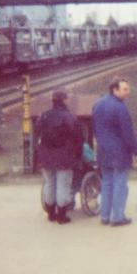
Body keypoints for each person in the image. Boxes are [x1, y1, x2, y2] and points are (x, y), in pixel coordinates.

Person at [91, 77, 137, 226]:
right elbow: (128, 133)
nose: (128, 92)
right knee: (120, 184)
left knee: (107, 183)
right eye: (125, 89)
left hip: (103, 151)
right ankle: (118, 217)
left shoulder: (98, 104)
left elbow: (95, 127)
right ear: (115, 90)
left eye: (128, 89)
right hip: (119, 153)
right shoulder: (120, 108)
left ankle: (105, 216)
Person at [38, 89, 82, 225]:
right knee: (63, 184)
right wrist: (77, 155)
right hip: (64, 156)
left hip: (46, 156)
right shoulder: (69, 117)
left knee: (49, 183)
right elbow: (78, 138)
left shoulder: (43, 116)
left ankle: (51, 214)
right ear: (64, 100)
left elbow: (38, 133)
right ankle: (62, 216)